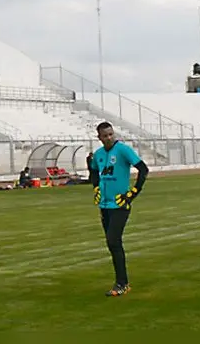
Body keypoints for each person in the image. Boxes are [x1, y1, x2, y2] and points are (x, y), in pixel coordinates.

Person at [86, 121, 149, 297]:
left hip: (120, 205)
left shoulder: (123, 150)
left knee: (113, 240)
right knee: (112, 243)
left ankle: (121, 283)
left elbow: (143, 170)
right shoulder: (98, 154)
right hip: (104, 206)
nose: (108, 138)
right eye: (105, 135)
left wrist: (132, 194)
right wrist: (96, 188)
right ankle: (123, 282)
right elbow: (94, 173)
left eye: (111, 134)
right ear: (99, 137)